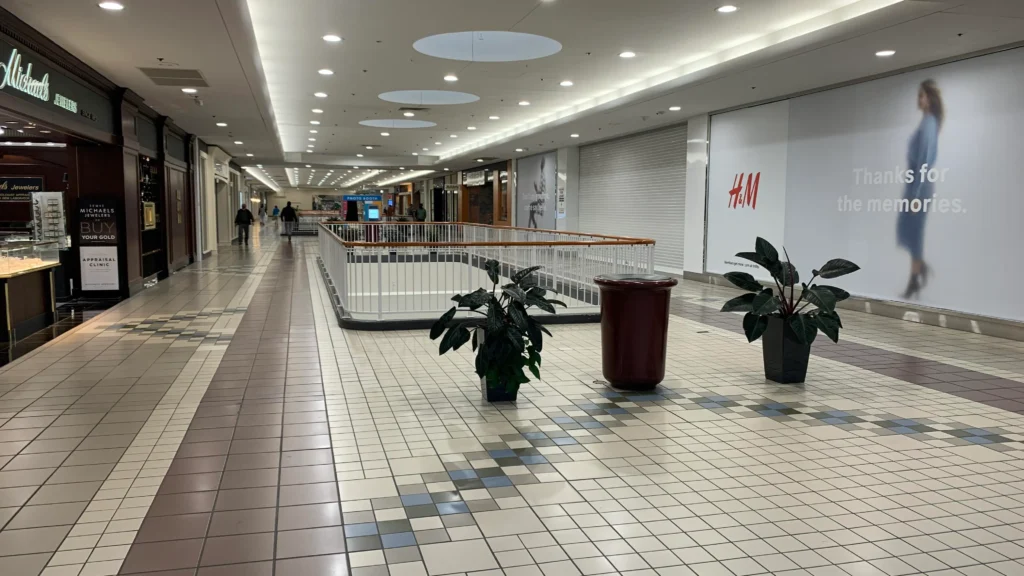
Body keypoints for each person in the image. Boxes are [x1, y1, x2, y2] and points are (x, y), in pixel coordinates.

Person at [896, 79, 943, 299]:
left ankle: (914, 279)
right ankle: (918, 271)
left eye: (922, 95)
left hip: (919, 187)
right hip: (915, 184)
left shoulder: (929, 124)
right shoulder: (926, 122)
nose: (920, 99)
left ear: (930, 98)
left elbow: (925, 161)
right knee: (910, 232)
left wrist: (915, 196)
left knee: (914, 233)